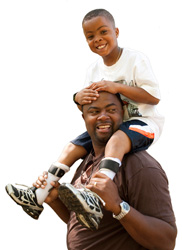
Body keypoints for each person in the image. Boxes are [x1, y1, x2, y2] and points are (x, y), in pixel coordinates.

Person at [5, 9, 164, 226]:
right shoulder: (93, 70)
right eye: (90, 36)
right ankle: (38, 195)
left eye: (103, 32)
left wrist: (117, 86)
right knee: (72, 148)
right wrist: (77, 97)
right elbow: (89, 106)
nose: (97, 39)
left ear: (116, 32)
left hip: (141, 123)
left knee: (117, 139)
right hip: (108, 125)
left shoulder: (135, 60)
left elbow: (154, 97)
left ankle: (96, 195)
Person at [34, 91, 177, 250]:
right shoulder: (87, 161)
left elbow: (167, 241)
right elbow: (90, 224)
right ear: (84, 118)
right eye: (94, 112)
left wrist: (118, 205)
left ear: (122, 114)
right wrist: (55, 200)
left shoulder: (140, 166)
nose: (103, 116)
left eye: (111, 110)